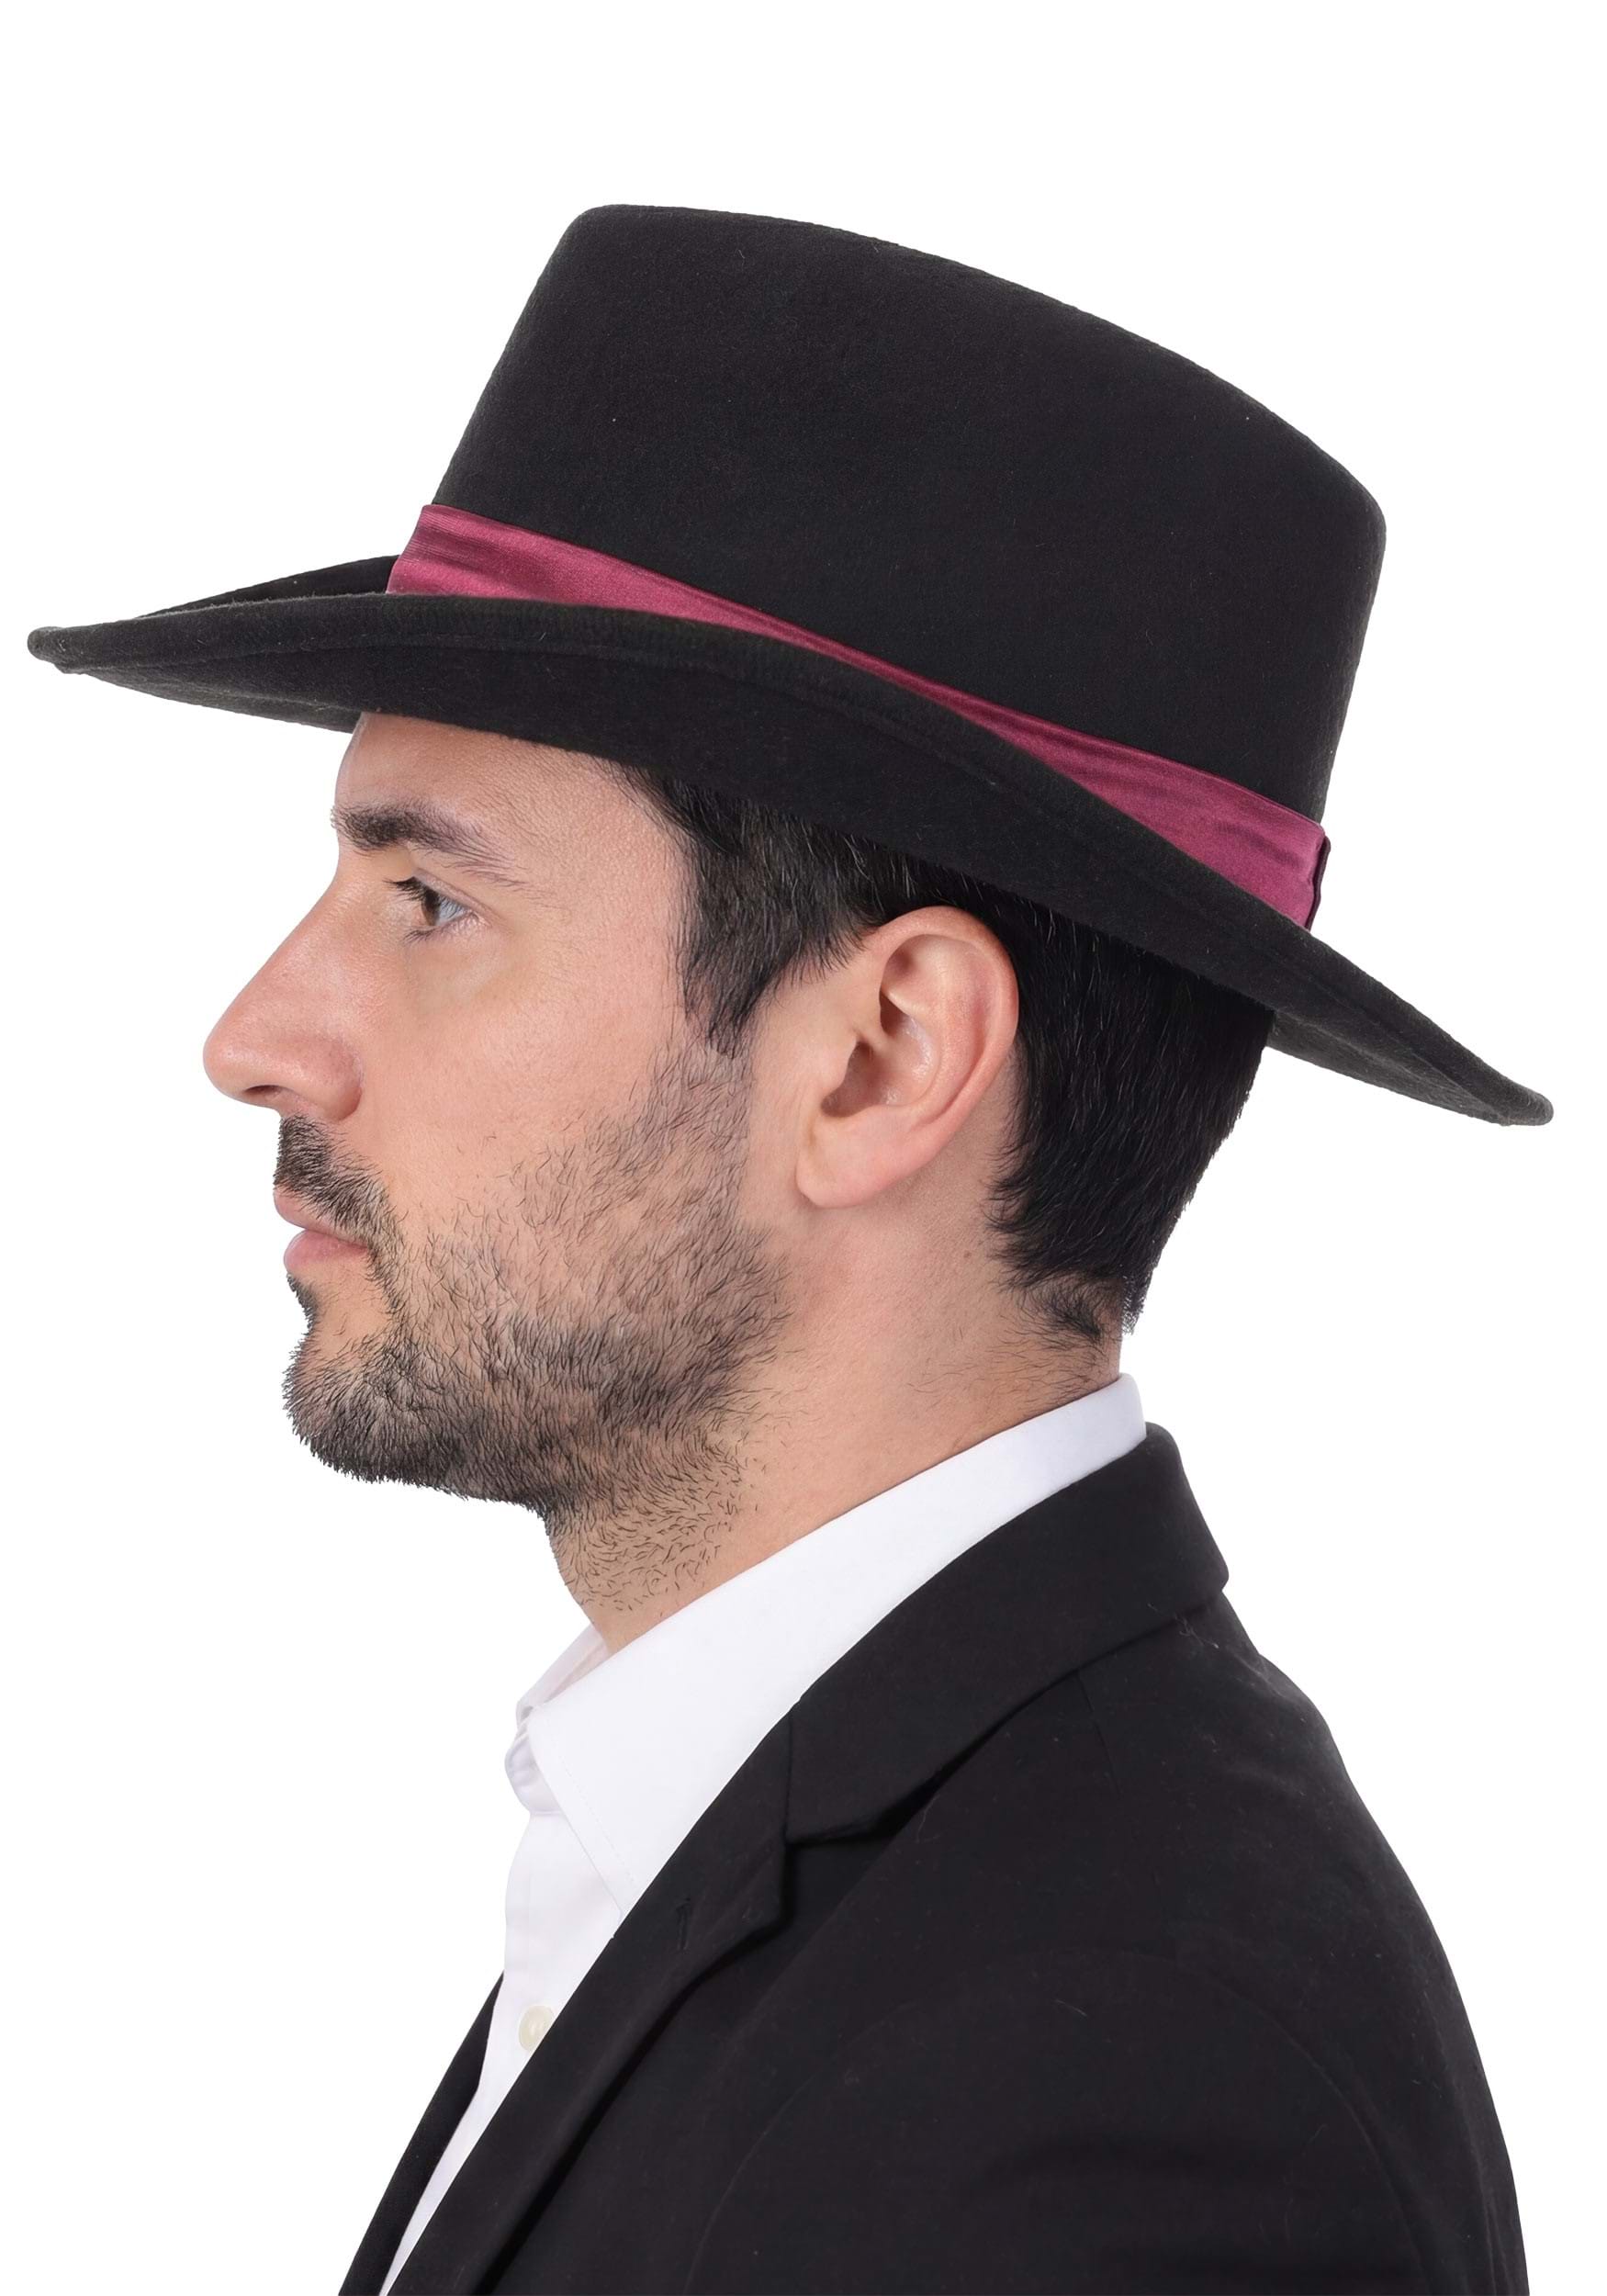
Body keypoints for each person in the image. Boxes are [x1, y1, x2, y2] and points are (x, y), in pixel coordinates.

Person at [28, 204, 1547, 2294]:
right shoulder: (831, 1841)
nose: (254, 1038)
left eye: (432, 904)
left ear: (880, 1056)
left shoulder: (1113, 2083)